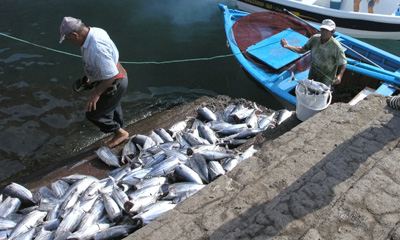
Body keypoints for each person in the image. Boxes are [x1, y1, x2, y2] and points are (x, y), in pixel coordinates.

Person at [59, 16, 129, 148]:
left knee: (94, 113)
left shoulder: (96, 47)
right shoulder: (95, 31)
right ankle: (120, 130)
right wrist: (89, 78)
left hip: (115, 81)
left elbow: (111, 75)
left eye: (68, 39)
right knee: (112, 106)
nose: (69, 42)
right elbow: (101, 64)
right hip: (115, 75)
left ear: (75, 35)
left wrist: (95, 94)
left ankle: (120, 133)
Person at [280, 19, 347, 87]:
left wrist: (339, 76)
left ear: (332, 32)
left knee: (322, 94)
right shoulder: (314, 39)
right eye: (322, 29)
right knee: (310, 91)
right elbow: (302, 49)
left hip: (326, 79)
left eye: (327, 30)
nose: (323, 32)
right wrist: (288, 46)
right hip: (313, 74)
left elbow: (343, 62)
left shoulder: (336, 46)